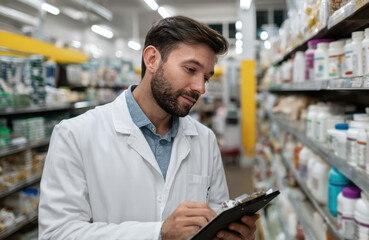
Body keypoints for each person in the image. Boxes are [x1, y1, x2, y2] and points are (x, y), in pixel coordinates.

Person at [38, 15, 259, 240]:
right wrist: (158, 233)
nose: (200, 87)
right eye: (190, 69)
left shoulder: (205, 139)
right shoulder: (75, 135)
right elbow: (57, 233)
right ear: (152, 59)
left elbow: (214, 218)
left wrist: (230, 234)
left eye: (206, 77)